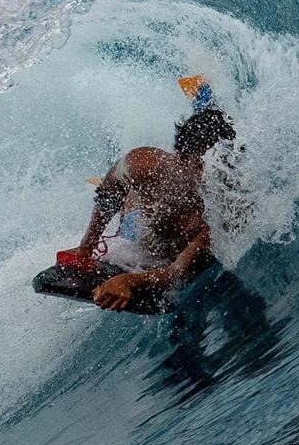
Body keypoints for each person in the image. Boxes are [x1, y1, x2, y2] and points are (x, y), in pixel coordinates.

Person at [62, 105, 237, 312]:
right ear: (183, 157)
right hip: (135, 219)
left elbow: (177, 273)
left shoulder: (215, 216)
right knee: (130, 206)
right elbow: (110, 188)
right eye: (201, 165)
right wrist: (87, 245)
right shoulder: (145, 163)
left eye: (217, 167)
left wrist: (130, 281)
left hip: (165, 252)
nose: (207, 176)